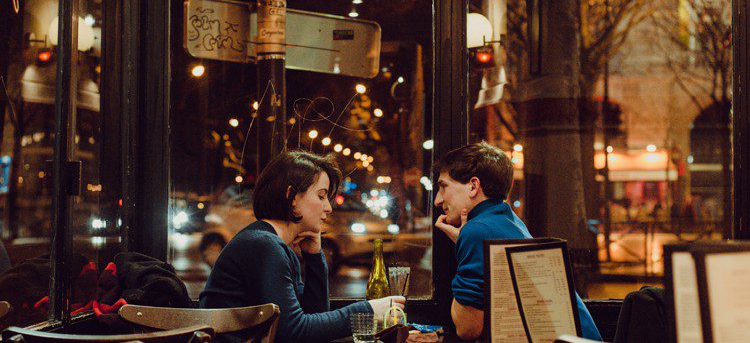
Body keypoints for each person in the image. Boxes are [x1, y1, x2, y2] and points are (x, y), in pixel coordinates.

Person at [200, 151, 404, 342]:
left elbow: (315, 319)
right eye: (321, 196)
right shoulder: (264, 245)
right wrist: (368, 310)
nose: (328, 208)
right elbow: (294, 332)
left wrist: (314, 257)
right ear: (293, 197)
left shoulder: (272, 244)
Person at [433, 142, 602, 341]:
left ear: (473, 186)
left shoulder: (476, 230)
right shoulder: (508, 220)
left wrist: (465, 243)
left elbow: (467, 328)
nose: (437, 200)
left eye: (443, 187)